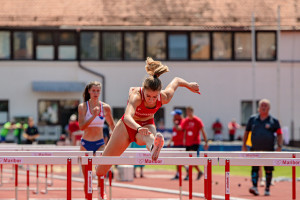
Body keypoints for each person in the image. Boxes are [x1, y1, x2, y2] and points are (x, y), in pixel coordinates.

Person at [96, 57, 201, 185]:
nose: (151, 100)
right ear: (143, 91)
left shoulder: (164, 97)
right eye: (148, 96)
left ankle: (154, 146)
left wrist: (189, 85)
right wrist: (138, 127)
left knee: (150, 135)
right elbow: (128, 117)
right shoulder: (136, 95)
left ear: (159, 93)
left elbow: (177, 81)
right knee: (100, 170)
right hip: (127, 126)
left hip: (147, 124)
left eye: (154, 97)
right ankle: (100, 175)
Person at [78, 81, 115, 199]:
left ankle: (101, 194)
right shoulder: (83, 107)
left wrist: (117, 142)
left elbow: (113, 127)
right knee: (87, 178)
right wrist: (94, 115)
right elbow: (82, 127)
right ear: (89, 91)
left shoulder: (106, 108)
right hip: (85, 144)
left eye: (98, 91)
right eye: (93, 90)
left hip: (100, 143)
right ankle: (88, 197)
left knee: (101, 173)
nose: (95, 93)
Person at [242, 99, 283, 196]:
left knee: (268, 169)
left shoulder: (274, 121)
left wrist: (279, 146)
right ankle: (255, 187)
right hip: (255, 149)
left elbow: (279, 134)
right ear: (258, 108)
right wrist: (244, 145)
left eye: (266, 106)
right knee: (255, 168)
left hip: (269, 149)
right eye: (262, 106)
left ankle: (267, 188)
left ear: (269, 108)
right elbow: (246, 132)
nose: (263, 107)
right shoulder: (252, 119)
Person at [181, 106, 208, 180]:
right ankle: (199, 171)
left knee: (191, 158)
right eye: (187, 112)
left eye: (189, 111)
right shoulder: (185, 121)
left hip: (195, 142)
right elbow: (184, 131)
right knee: (188, 159)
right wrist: (184, 140)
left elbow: (203, 131)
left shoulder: (197, 120)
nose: (188, 113)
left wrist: (206, 142)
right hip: (188, 142)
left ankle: (188, 174)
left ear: (192, 112)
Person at [167, 109, 184, 180]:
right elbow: (174, 133)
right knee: (177, 160)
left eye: (174, 115)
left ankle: (187, 171)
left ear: (178, 115)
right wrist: (170, 142)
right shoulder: (176, 122)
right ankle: (178, 174)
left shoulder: (183, 121)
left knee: (182, 160)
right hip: (176, 143)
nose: (173, 117)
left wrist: (175, 123)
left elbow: (179, 129)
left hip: (181, 144)